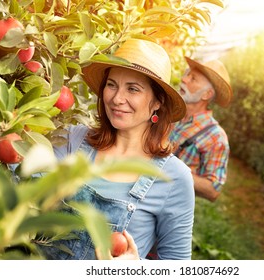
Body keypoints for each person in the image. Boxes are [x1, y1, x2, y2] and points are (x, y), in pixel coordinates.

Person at [36, 39, 194, 260]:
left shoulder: (175, 178)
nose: (117, 99)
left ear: (157, 101)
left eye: (133, 89)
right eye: (111, 85)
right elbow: (28, 187)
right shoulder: (72, 139)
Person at [170, 57, 233, 202]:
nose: (184, 79)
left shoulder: (216, 137)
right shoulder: (172, 115)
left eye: (193, 79)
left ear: (207, 94)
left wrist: (172, 169)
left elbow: (213, 190)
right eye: (187, 74)